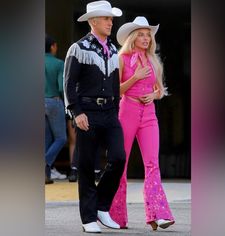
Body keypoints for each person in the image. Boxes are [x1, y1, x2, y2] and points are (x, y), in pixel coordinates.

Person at [63, 1, 126, 233]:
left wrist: (116, 108)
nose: (111, 22)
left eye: (111, 18)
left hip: (110, 113)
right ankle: (88, 217)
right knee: (87, 166)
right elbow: (68, 83)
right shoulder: (78, 48)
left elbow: (115, 83)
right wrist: (76, 112)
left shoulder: (113, 48)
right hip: (86, 113)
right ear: (93, 21)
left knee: (119, 157)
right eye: (106, 18)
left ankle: (100, 206)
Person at [109, 16, 175, 230]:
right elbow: (114, 91)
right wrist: (135, 77)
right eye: (142, 35)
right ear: (133, 37)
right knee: (121, 163)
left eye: (149, 35)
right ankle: (116, 216)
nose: (147, 39)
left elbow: (160, 91)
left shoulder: (153, 61)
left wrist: (154, 96)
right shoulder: (122, 58)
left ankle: (159, 214)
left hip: (149, 114)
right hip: (127, 110)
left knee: (152, 163)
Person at [45, 35, 67, 184]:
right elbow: (61, 87)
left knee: (46, 139)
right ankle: (44, 162)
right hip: (53, 101)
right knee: (61, 138)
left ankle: (45, 176)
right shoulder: (59, 63)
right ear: (52, 46)